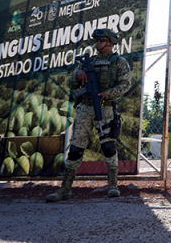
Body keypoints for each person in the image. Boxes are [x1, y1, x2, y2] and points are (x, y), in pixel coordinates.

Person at [46, 28, 131, 201]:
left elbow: (125, 84)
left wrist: (107, 94)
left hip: (105, 108)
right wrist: (78, 74)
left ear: (110, 42)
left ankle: (113, 186)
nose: (97, 43)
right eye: (97, 40)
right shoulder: (87, 62)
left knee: (108, 147)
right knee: (76, 149)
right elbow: (71, 83)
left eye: (101, 40)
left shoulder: (119, 62)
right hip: (84, 109)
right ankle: (65, 189)